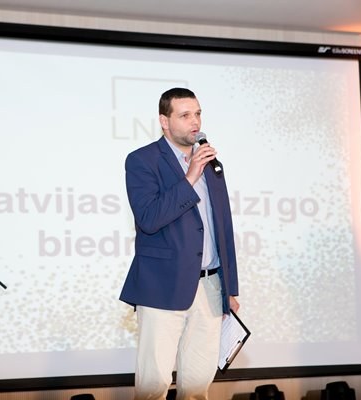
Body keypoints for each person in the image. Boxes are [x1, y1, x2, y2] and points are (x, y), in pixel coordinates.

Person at [120, 87, 240, 400]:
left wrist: (230, 288)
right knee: (154, 384)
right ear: (165, 121)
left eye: (197, 113)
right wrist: (189, 177)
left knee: (198, 385)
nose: (195, 121)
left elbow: (223, 227)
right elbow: (149, 218)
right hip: (162, 286)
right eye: (185, 115)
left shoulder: (212, 164)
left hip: (211, 287)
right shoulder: (142, 160)